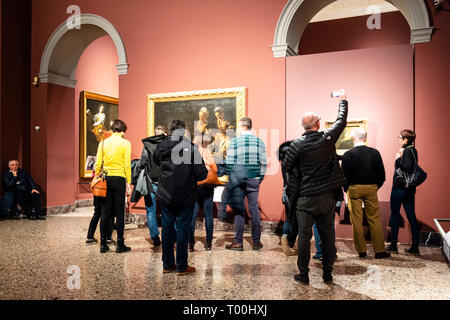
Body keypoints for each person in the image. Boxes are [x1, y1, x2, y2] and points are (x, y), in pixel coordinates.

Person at [283, 94, 348, 285]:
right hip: (326, 197)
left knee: (304, 237)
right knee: (327, 236)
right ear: (317, 124)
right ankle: (327, 273)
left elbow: (287, 165)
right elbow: (341, 121)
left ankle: (303, 274)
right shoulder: (327, 139)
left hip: (305, 198)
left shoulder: (297, 144)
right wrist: (342, 101)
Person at [154, 120, 208, 275]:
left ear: (170, 131)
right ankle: (182, 266)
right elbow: (202, 173)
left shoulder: (161, 146)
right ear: (183, 131)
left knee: (167, 230)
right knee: (183, 230)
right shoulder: (191, 148)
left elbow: (157, 162)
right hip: (185, 196)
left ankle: (167, 264)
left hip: (166, 195)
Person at [341, 128, 391, 259]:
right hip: (370, 188)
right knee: (374, 219)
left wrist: (347, 189)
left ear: (354, 138)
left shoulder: (348, 154)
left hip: (354, 189)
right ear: (366, 138)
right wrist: (375, 187)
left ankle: (361, 251)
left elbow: (343, 176)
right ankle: (380, 251)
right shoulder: (374, 153)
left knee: (356, 220)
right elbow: (382, 175)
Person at [224, 117, 267, 251]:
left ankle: (238, 242)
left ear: (241, 126)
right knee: (254, 209)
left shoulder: (235, 141)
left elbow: (230, 163)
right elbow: (264, 163)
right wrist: (259, 178)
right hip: (254, 178)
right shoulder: (259, 142)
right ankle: (256, 242)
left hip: (238, 180)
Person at [96, 119, 132, 254]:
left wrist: (98, 176)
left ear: (112, 129)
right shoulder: (126, 143)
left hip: (106, 179)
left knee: (105, 213)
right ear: (123, 130)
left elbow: (98, 162)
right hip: (119, 179)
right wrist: (128, 182)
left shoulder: (103, 142)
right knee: (120, 213)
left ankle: (103, 243)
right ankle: (120, 244)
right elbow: (127, 164)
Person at [387, 129, 421, 256]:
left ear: (406, 140)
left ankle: (394, 244)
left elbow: (406, 167)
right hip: (410, 189)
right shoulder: (414, 150)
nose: (398, 139)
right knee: (411, 216)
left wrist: (398, 159)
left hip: (399, 188)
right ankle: (415, 245)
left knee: (395, 214)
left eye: (400, 137)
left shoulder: (406, 150)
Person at [138, 125, 168, 247]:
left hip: (150, 182)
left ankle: (155, 237)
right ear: (165, 133)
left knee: (150, 211)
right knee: (167, 210)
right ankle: (168, 235)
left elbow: (143, 161)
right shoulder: (168, 145)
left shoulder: (147, 144)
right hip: (165, 182)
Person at [190, 134, 219, 252]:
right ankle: (208, 243)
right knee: (208, 215)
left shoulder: (190, 152)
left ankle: (190, 243)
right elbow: (215, 169)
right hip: (206, 185)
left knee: (192, 216)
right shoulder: (206, 152)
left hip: (194, 185)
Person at [278, 141, 298, 256]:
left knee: (288, 218)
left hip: (286, 191)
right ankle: (290, 244)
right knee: (295, 220)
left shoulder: (283, 162)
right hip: (294, 192)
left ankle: (285, 238)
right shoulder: (293, 161)